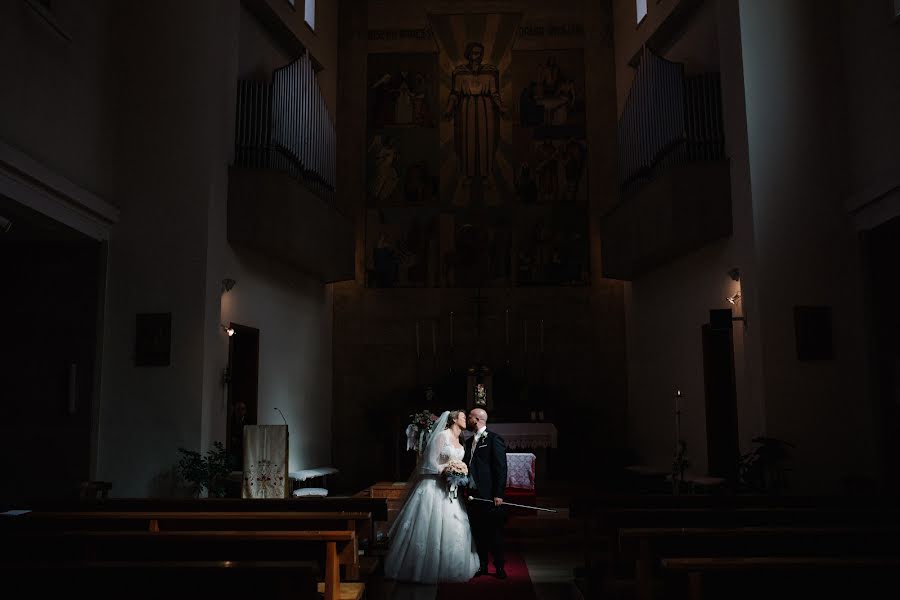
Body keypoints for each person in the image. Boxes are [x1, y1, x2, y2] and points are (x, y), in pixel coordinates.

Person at [384, 410, 480, 583]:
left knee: (455, 524)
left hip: (451, 489)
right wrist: (446, 471)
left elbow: (458, 461)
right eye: (463, 417)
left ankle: (452, 566)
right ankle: (422, 568)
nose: (466, 419)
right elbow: (429, 462)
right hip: (434, 486)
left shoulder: (460, 439)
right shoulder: (441, 436)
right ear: (453, 419)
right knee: (430, 526)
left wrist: (458, 474)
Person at [443, 42, 508, 195]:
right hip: (467, 108)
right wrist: (449, 108)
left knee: (486, 141)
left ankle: (486, 174)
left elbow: (494, 93)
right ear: (468, 54)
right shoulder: (459, 72)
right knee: (468, 141)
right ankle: (468, 173)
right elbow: (455, 93)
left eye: (479, 53)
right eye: (474, 53)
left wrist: (500, 106)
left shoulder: (490, 72)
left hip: (485, 108)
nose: (476, 56)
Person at [464, 407, 509, 579]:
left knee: (495, 532)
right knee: (478, 531)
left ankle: (499, 567)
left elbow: (501, 468)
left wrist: (499, 494)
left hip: (489, 494)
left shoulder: (493, 439)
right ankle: (482, 565)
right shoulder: (468, 442)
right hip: (473, 494)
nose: (468, 419)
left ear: (477, 419)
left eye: (470, 417)